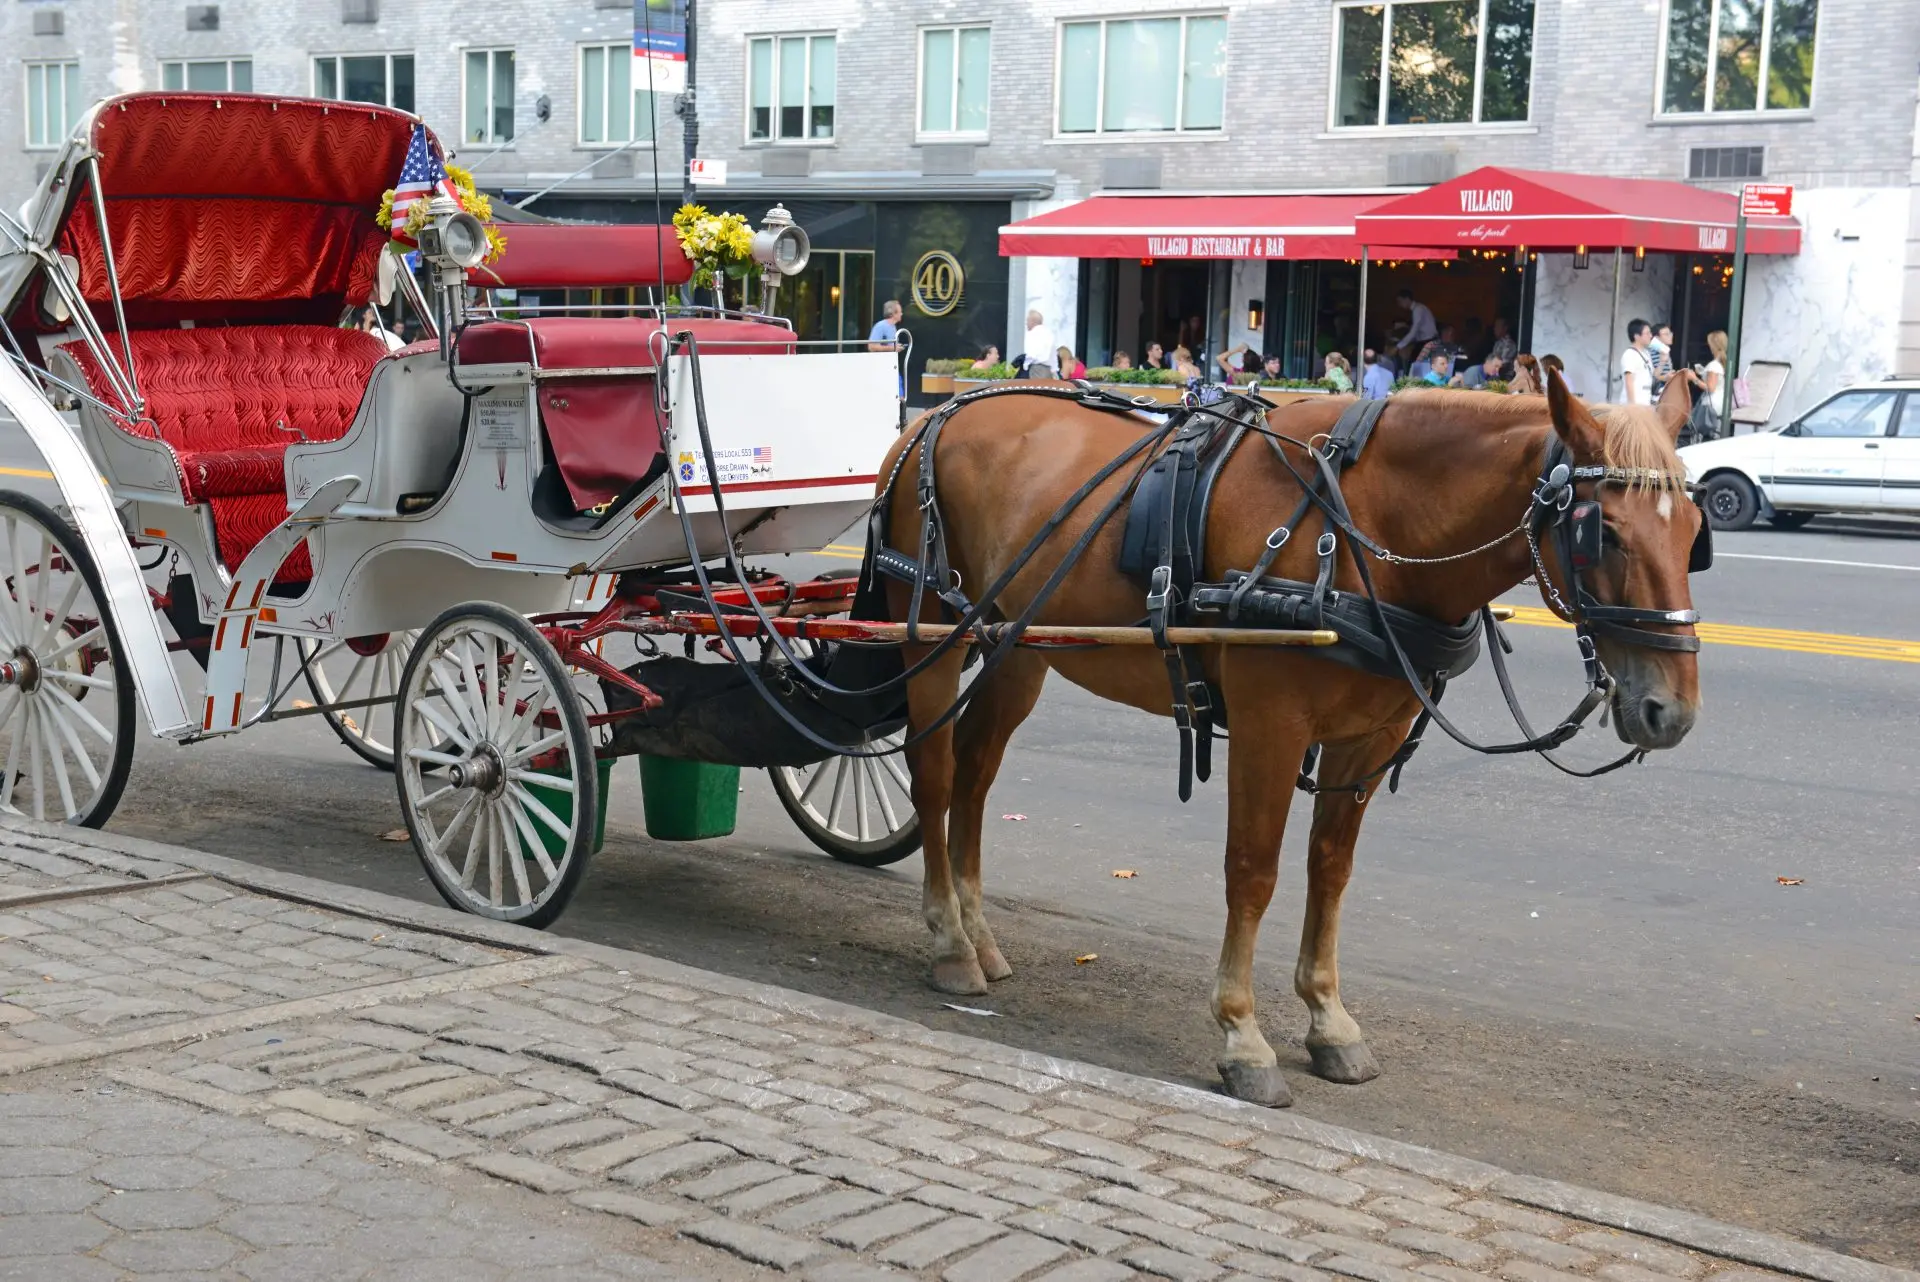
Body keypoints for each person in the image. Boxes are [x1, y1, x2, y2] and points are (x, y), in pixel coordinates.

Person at [1619, 318, 1656, 406]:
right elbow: (1629, 381)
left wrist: (1663, 358)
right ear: (1636, 336)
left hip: (1645, 404)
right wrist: (1632, 406)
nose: (1650, 336)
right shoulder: (1629, 354)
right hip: (1633, 406)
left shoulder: (1646, 354)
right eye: (1647, 333)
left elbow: (1655, 374)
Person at [1395, 289, 1437, 363]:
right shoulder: (1418, 308)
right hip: (1424, 341)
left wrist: (1398, 346)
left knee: (1413, 363)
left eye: (1400, 301)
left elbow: (1414, 331)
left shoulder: (1418, 309)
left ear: (1407, 299)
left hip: (1427, 342)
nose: (1399, 304)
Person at [1022, 309, 1055, 379]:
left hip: (1037, 369)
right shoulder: (1048, 333)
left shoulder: (1033, 333)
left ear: (1033, 321)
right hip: (1048, 369)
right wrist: (1054, 369)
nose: (1026, 323)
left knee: (1036, 389)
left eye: (1027, 321)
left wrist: (1025, 365)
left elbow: (1031, 353)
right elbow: (1053, 355)